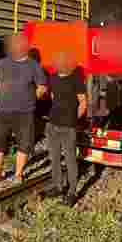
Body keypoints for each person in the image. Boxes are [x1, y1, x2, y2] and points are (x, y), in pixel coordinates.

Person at [0, 35, 47, 185]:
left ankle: (18, 174)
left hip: (25, 112)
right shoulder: (2, 63)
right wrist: (7, 92)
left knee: (25, 143)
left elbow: (42, 87)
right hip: (3, 111)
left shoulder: (34, 65)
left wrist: (30, 98)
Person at [45, 52, 87, 205]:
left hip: (68, 126)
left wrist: (73, 119)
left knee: (70, 160)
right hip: (52, 124)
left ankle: (72, 192)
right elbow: (54, 97)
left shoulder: (76, 80)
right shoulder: (53, 78)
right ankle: (58, 186)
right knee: (54, 158)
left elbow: (83, 102)